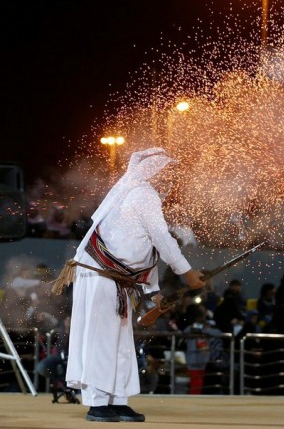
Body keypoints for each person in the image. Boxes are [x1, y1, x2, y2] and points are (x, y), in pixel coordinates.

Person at [51, 148, 205, 422]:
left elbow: (143, 248)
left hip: (115, 280)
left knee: (118, 342)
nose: (171, 181)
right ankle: (98, 404)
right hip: (101, 277)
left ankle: (116, 400)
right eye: (168, 174)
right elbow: (161, 239)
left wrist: (152, 291)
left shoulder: (133, 192)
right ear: (154, 173)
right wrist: (187, 272)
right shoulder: (143, 195)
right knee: (101, 340)